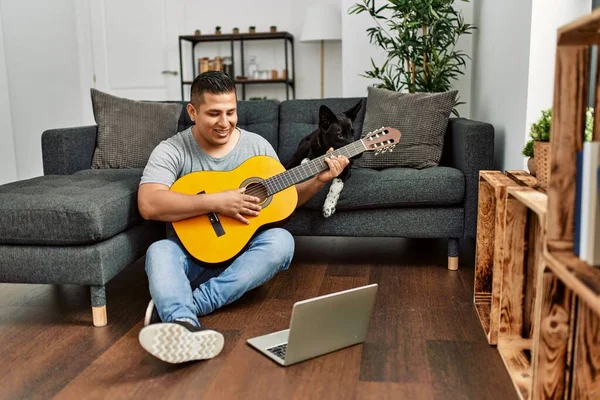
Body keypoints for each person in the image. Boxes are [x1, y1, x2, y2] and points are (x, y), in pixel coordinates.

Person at [136, 71, 349, 364]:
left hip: (242, 257)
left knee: (281, 242)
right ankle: (183, 319)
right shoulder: (172, 149)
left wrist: (318, 180)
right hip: (190, 257)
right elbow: (148, 203)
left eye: (231, 112)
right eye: (214, 114)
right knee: (159, 251)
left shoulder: (257, 147)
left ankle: (181, 314)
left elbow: (285, 199)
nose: (225, 123)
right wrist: (218, 202)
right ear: (192, 112)